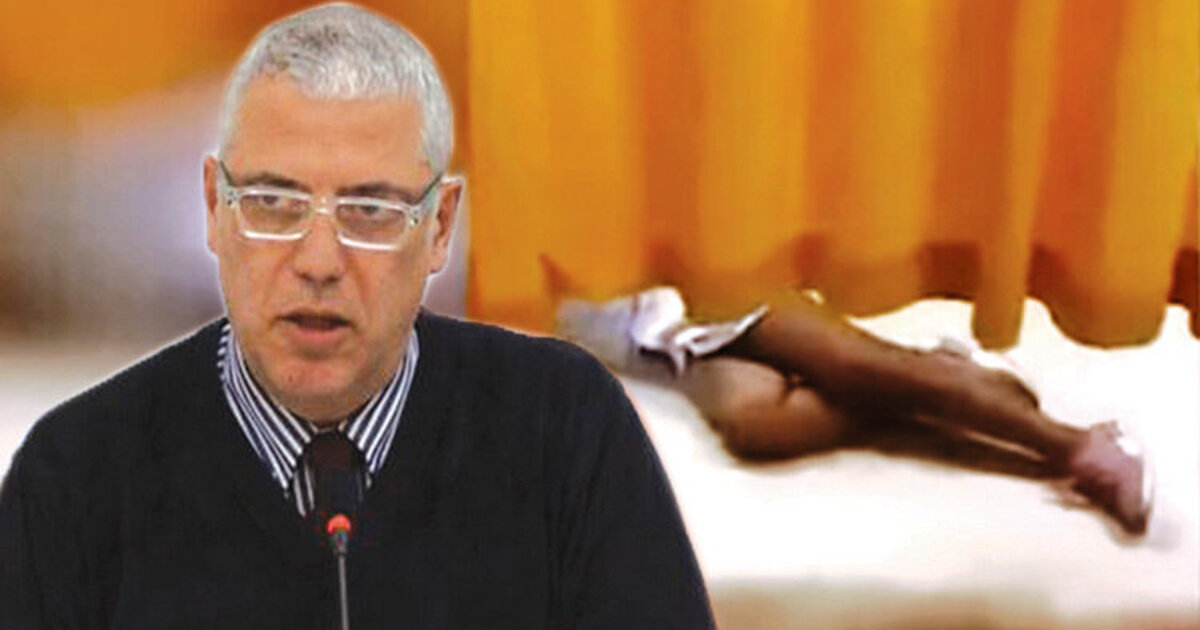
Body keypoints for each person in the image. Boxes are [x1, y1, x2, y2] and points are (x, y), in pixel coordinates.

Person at [0, 5, 715, 628]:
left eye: (370, 210)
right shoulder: (77, 473)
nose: (318, 261)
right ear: (215, 207)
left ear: (440, 225)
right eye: (273, 204)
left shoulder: (565, 432)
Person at [557, 286, 1153, 536]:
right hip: (658, 350)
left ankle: (1078, 445)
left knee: (852, 367)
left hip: (706, 290)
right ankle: (946, 379)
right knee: (755, 427)